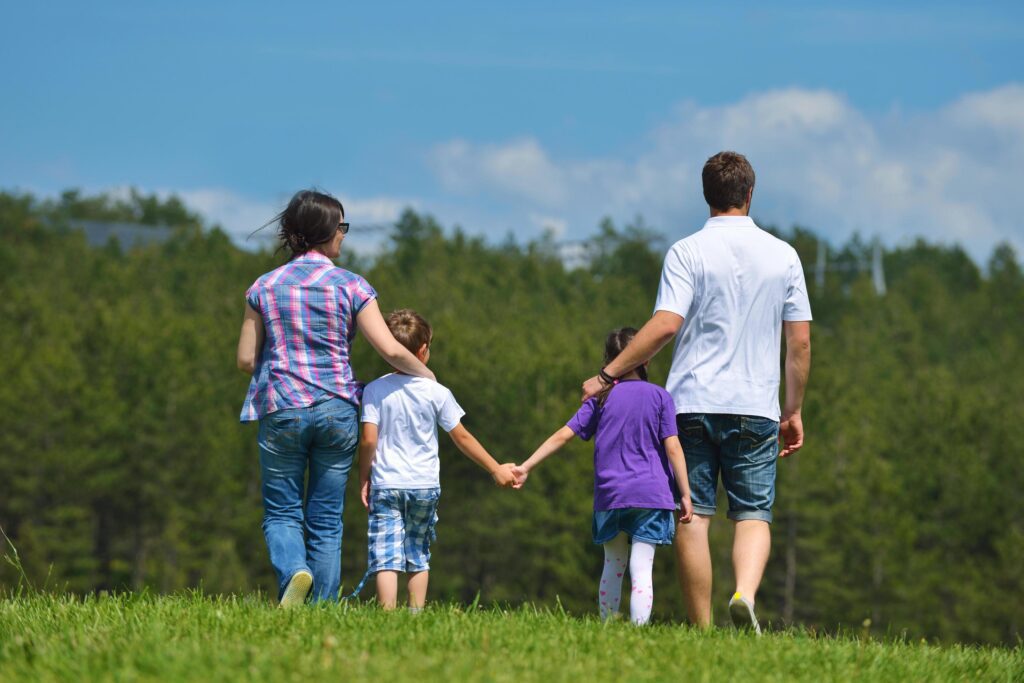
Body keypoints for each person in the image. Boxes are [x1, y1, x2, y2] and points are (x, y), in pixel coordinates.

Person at [581, 152, 813, 634]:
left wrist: (608, 376)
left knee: (694, 515)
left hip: (690, 402)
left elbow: (665, 325)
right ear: (750, 194)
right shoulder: (783, 255)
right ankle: (744, 595)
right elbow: (799, 342)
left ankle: (702, 630)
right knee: (753, 514)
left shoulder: (687, 251)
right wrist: (792, 409)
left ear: (706, 195)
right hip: (756, 406)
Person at [237, 189, 435, 608]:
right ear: (326, 232)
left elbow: (244, 359)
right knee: (325, 518)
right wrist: (428, 377)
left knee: (281, 512)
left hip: (282, 406)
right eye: (341, 227)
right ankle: (323, 608)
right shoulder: (352, 285)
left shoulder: (264, 286)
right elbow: (391, 349)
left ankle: (295, 572)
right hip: (338, 409)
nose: (344, 235)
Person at [514, 328, 694, 625]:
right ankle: (637, 632)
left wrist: (527, 465)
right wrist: (685, 493)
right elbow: (673, 447)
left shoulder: (601, 397)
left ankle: (607, 627)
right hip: (651, 495)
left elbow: (564, 435)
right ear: (645, 359)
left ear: (609, 361)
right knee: (642, 566)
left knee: (614, 563)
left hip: (611, 496)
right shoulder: (661, 397)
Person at [357, 309, 518, 611]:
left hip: (386, 482)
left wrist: (363, 475)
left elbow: (368, 440)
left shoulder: (374, 390)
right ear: (422, 351)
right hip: (424, 485)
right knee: (418, 553)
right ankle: (416, 614)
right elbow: (462, 438)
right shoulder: (437, 392)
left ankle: (386, 614)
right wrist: (496, 468)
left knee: (385, 555)